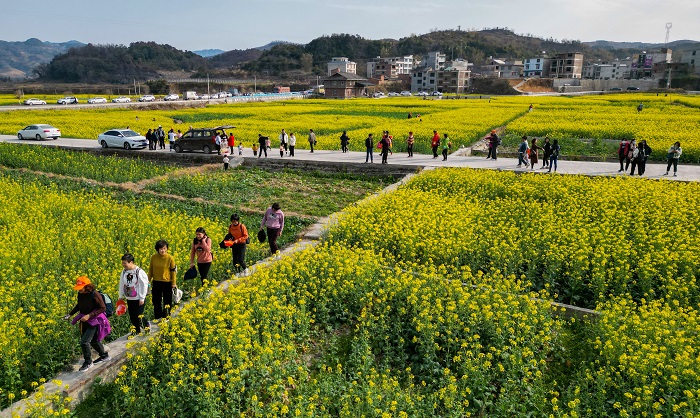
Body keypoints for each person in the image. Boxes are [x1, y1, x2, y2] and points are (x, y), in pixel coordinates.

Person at [63, 276, 111, 372]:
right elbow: (79, 305)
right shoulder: (81, 294)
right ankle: (104, 356)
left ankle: (88, 362)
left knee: (84, 342)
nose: (79, 290)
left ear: (87, 287)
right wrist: (70, 314)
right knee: (93, 341)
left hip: (95, 320)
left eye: (81, 288)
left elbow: (103, 308)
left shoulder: (94, 294)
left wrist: (89, 315)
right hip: (85, 320)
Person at [117, 254, 149, 334]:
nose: (123, 265)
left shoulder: (139, 272)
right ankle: (136, 330)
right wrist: (120, 296)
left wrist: (142, 298)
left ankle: (146, 327)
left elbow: (144, 285)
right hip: (129, 297)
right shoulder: (124, 271)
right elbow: (121, 283)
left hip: (138, 298)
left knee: (139, 315)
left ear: (131, 262)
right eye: (123, 263)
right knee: (132, 316)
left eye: (125, 263)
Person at [148, 240, 177, 320]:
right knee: (156, 301)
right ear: (157, 249)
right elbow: (151, 269)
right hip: (156, 282)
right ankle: (157, 317)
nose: (163, 250)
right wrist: (148, 280)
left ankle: (166, 316)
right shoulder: (154, 257)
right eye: (161, 249)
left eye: (164, 248)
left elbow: (173, 271)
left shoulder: (170, 258)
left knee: (167, 300)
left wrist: (174, 283)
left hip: (167, 282)